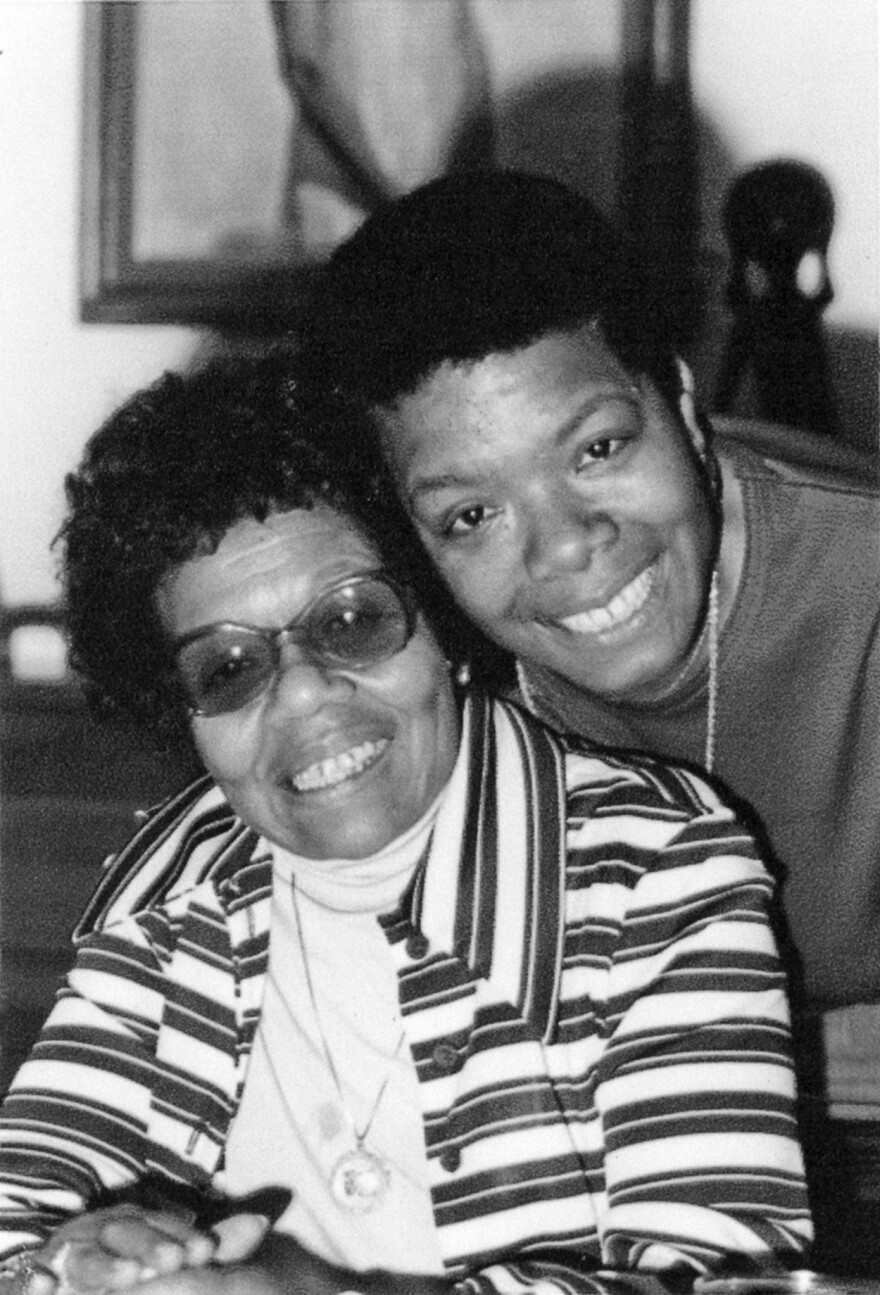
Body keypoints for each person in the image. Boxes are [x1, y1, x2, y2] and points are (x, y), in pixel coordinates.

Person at [0, 355, 811, 1295]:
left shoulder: (656, 863)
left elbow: (720, 1281)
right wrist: (67, 1263)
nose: (304, 694)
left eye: (350, 620)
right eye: (226, 669)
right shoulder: (171, 887)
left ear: (444, 625)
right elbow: (21, 1201)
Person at [298, 168, 880, 1276]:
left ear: (677, 397)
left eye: (597, 448)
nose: (564, 548)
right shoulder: (430, 681)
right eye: (472, 514)